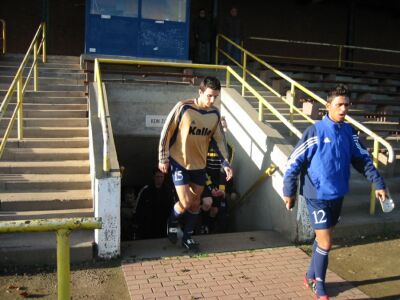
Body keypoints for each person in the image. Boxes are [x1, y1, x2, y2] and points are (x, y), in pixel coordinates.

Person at [282, 84, 387, 300]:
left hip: (337, 195)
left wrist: (378, 183)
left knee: (323, 239)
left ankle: (309, 274)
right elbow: (294, 162)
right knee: (327, 243)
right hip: (316, 196)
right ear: (328, 106)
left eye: (346, 105)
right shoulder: (315, 131)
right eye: (339, 105)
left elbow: (363, 160)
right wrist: (289, 191)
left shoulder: (350, 132)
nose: (343, 109)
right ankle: (317, 283)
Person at [158, 76, 233, 251]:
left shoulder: (214, 114)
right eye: (209, 95)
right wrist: (163, 157)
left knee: (195, 203)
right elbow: (166, 132)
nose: (212, 100)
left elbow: (219, 140)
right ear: (200, 92)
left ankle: (187, 237)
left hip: (200, 165)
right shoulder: (183, 107)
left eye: (216, 96)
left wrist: (226, 163)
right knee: (185, 201)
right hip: (179, 162)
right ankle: (172, 220)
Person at [134, 167, 175, 239]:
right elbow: (138, 208)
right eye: (157, 177)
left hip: (163, 224)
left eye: (161, 177)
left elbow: (173, 207)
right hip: (148, 224)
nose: (159, 179)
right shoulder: (146, 190)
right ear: (154, 177)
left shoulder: (169, 191)